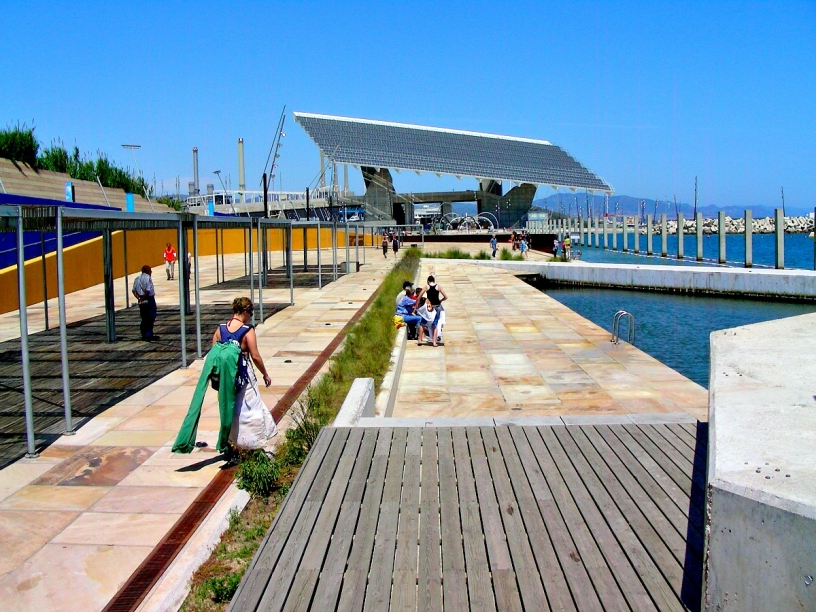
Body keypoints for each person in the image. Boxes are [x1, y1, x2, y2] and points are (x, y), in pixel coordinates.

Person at [173, 297, 276, 458]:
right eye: (250, 312)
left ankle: (230, 444)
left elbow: (215, 351)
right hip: (243, 375)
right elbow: (255, 356)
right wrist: (265, 374)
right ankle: (251, 444)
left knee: (229, 409)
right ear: (244, 311)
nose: (251, 316)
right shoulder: (248, 330)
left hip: (226, 377)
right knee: (249, 409)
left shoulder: (220, 329)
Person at [415, 275, 447, 345]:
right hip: (437, 307)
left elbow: (419, 297)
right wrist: (440, 300)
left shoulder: (427, 287)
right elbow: (445, 297)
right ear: (434, 281)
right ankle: (434, 342)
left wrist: (417, 306)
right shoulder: (439, 286)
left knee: (422, 323)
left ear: (428, 281)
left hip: (428, 307)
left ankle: (419, 340)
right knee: (435, 324)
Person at [132, 265, 157, 341]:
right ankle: (148, 334)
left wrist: (139, 298)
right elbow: (147, 290)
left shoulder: (137, 279)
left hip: (141, 299)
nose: (151, 272)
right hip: (149, 299)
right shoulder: (148, 278)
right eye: (150, 270)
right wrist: (143, 298)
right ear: (147, 271)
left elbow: (133, 290)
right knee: (151, 317)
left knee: (144, 317)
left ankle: (144, 333)